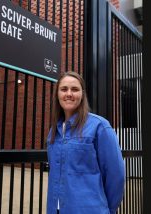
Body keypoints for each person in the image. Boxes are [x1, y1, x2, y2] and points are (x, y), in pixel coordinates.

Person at [46, 71, 125, 214]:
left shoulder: (99, 126)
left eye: (74, 89)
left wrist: (108, 210)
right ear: (57, 94)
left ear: (82, 94)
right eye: (64, 89)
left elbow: (116, 175)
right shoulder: (54, 130)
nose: (69, 94)